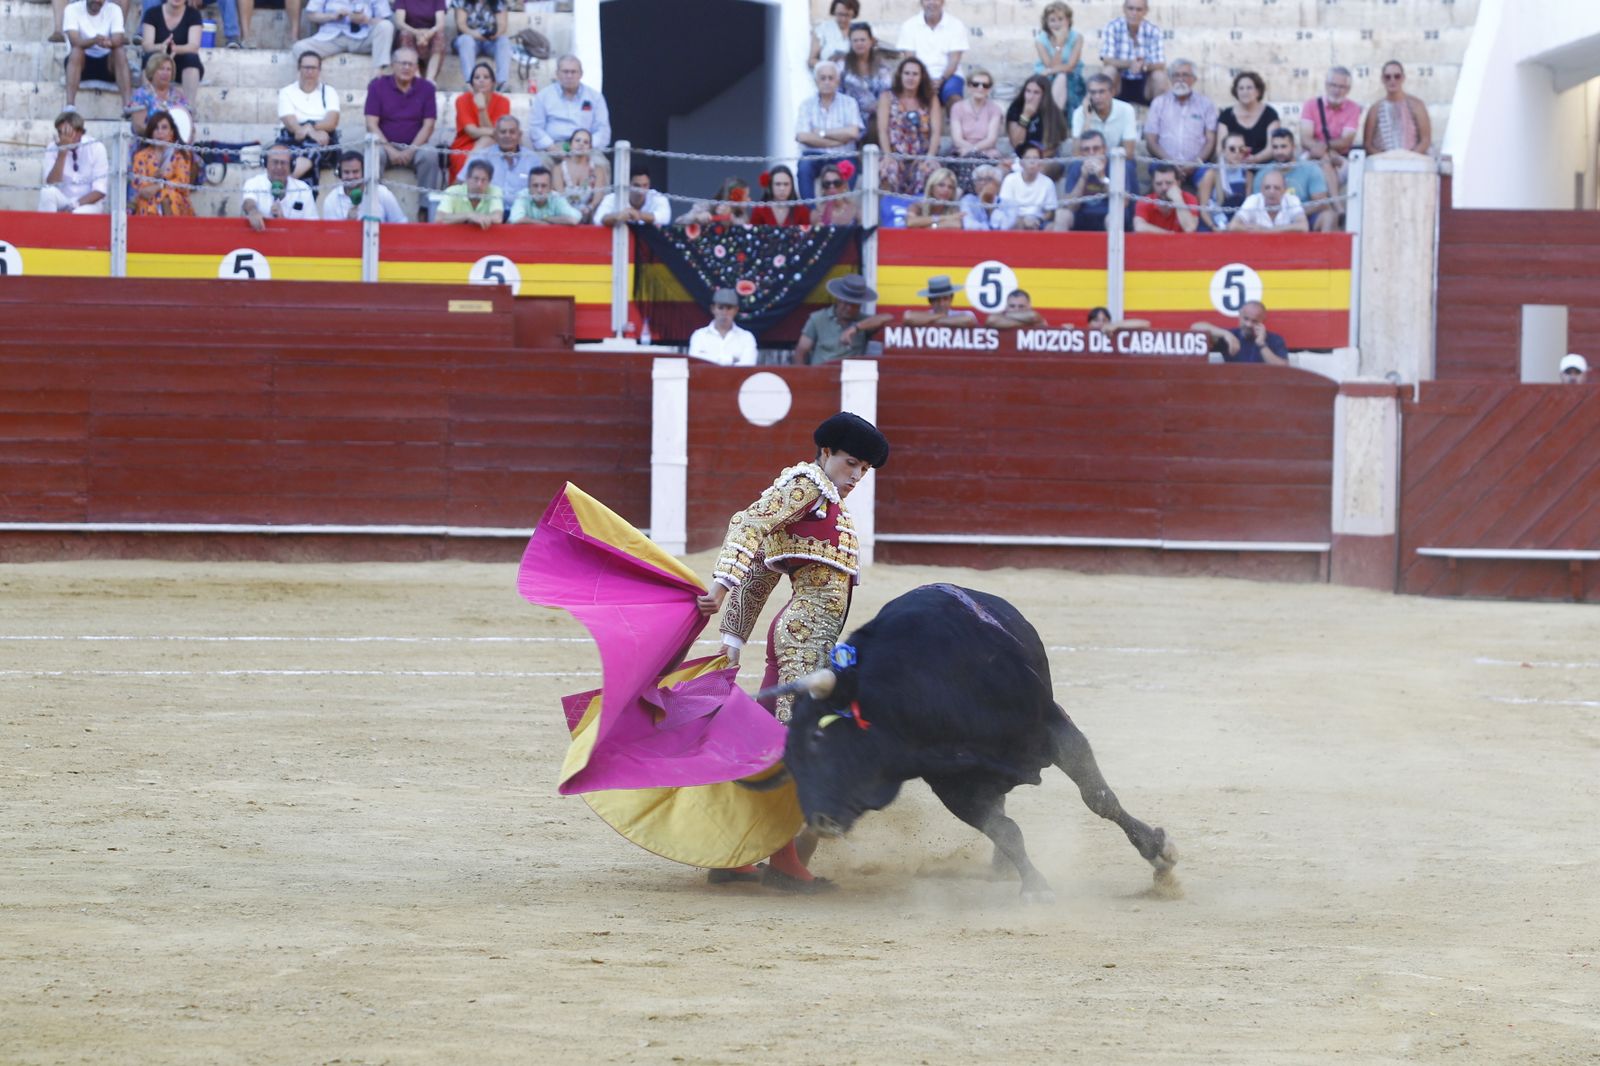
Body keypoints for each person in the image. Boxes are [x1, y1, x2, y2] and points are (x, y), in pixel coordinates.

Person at [696, 412, 890, 891]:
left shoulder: (823, 500)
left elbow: (763, 570)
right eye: (850, 463)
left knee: (773, 744)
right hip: (803, 636)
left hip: (806, 636)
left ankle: (735, 854)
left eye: (864, 469)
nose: (856, 476)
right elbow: (748, 524)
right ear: (825, 452)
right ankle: (784, 863)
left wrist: (734, 638)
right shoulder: (804, 485)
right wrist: (720, 590)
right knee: (794, 745)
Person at [364, 48, 444, 194]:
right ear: (393, 65)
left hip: (416, 146)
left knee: (429, 154)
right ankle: (374, 205)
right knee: (374, 154)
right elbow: (371, 124)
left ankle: (426, 210)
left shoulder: (426, 89)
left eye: (411, 64)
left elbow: (429, 125)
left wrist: (410, 151)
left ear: (416, 68)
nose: (406, 68)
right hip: (385, 146)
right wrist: (390, 149)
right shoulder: (377, 86)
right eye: (402, 63)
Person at [794, 61, 862, 202]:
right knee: (804, 168)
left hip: (843, 154)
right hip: (814, 154)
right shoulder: (806, 105)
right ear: (816, 80)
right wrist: (838, 139)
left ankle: (843, 214)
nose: (827, 82)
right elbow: (802, 136)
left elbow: (853, 133)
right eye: (823, 78)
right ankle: (811, 214)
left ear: (837, 81)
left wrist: (821, 133)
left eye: (831, 78)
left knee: (849, 166)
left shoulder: (849, 103)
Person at [1144, 59, 1217, 188]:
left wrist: (1195, 163)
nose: (1180, 79)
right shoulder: (1159, 103)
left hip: (1196, 164)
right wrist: (1170, 162)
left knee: (1208, 174)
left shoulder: (1206, 104)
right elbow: (1151, 139)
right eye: (1176, 75)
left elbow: (1210, 140)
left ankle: (1204, 209)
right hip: (1164, 162)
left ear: (1194, 79)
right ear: (1171, 79)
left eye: (1185, 75)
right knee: (1162, 175)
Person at [877, 56, 941, 198]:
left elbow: (936, 131)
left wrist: (930, 156)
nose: (910, 78)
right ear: (900, 75)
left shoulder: (930, 98)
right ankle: (891, 214)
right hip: (894, 154)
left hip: (922, 155)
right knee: (888, 172)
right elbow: (882, 130)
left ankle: (919, 216)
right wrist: (888, 155)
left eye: (915, 74)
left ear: (921, 77)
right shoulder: (887, 97)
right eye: (907, 73)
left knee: (928, 172)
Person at [795, 274, 893, 365]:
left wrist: (855, 328)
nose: (849, 308)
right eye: (846, 303)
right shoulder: (817, 319)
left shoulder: (864, 322)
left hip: (852, 378)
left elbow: (888, 318)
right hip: (822, 376)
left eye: (854, 305)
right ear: (838, 299)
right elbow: (801, 352)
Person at [275, 51, 340, 183]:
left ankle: (285, 182)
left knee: (314, 147)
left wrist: (312, 128)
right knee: (304, 150)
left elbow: (332, 122)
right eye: (306, 67)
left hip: (323, 138)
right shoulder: (286, 92)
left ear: (319, 70)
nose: (310, 72)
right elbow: (292, 125)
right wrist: (311, 131)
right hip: (292, 137)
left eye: (313, 68)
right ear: (299, 69)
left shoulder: (329, 92)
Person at [528, 54, 612, 154]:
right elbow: (535, 128)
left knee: (602, 165)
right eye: (565, 72)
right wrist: (551, 147)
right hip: (554, 146)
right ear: (557, 74)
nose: (569, 76)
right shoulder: (543, 96)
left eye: (573, 72)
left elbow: (603, 129)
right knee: (541, 165)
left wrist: (587, 145)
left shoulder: (595, 97)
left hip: (587, 147)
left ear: (581, 74)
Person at [1257, 128, 1336, 232]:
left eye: (1283, 147)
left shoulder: (1311, 169)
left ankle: (1325, 248)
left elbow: (1321, 202)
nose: (1279, 151)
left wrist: (1294, 214)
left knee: (1328, 216)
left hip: (1306, 216)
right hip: (1272, 219)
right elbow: (1258, 204)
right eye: (1275, 147)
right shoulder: (1263, 173)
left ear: (1294, 147)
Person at [1300, 66, 1362, 195]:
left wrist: (1326, 149)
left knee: (1345, 168)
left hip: (1339, 156)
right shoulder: (1311, 105)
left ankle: (1326, 205)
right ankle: (1334, 205)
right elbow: (1305, 139)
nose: (1336, 90)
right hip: (1313, 153)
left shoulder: (1353, 108)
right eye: (1333, 85)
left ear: (1348, 90)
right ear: (1326, 85)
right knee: (1318, 161)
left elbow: (1346, 141)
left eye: (1341, 87)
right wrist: (1325, 152)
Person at [896, 0, 968, 110]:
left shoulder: (956, 25)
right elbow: (910, 60)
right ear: (921, 2)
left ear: (942, 2)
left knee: (955, 101)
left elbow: (954, 60)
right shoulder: (909, 25)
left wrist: (941, 80)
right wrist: (925, 80)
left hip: (949, 76)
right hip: (919, 75)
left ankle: (956, 127)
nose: (931, 3)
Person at [63, 0, 131, 112]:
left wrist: (109, 43)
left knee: (119, 51)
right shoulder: (72, 9)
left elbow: (118, 39)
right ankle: (70, 106)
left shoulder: (114, 9)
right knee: (76, 51)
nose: (98, 1)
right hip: (82, 64)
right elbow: (74, 40)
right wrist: (94, 40)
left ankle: (128, 106)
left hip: (107, 63)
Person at [292, 0, 395, 73]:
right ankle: (318, 84)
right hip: (332, 37)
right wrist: (332, 16)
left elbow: (385, 19)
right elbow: (311, 14)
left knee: (386, 26)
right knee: (299, 47)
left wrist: (366, 20)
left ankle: (378, 75)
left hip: (363, 38)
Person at [1060, 130, 1133, 232]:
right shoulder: (1076, 166)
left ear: (1104, 149)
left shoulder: (1117, 166)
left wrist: (1102, 177)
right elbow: (1071, 206)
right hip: (1082, 214)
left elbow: (1123, 203)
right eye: (1086, 150)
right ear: (1081, 153)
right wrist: (1083, 177)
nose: (1091, 153)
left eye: (1096, 148)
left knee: (1114, 218)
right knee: (1062, 215)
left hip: (1108, 213)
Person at [448, 61, 508, 184]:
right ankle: (461, 184)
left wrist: (481, 109)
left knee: (488, 142)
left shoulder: (503, 102)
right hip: (465, 145)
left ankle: (461, 179)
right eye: (477, 78)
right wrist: (495, 132)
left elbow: (495, 136)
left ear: (493, 83)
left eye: (486, 77)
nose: (481, 80)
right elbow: (472, 131)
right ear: (471, 84)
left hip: (493, 146)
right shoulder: (462, 100)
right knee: (485, 141)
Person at [1098, 0, 1167, 105]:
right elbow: (1107, 59)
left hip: (1144, 83)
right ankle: (1103, 115)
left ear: (1146, 11)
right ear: (1124, 9)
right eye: (1131, 8)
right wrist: (1131, 64)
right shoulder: (1112, 27)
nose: (1134, 13)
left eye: (1139, 9)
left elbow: (1160, 63)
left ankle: (1160, 116)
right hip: (1119, 82)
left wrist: (1143, 66)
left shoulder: (1154, 30)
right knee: (1109, 71)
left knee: (1160, 77)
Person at [37, 111, 108, 214]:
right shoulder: (53, 147)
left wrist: (74, 205)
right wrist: (63, 152)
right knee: (47, 193)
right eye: (61, 132)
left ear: (80, 133)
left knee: (77, 213)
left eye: (68, 132)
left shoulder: (96, 147)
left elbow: (100, 191)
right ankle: (47, 229)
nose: (64, 137)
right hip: (64, 200)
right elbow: (51, 184)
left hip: (88, 204)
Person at [128, 110, 196, 216]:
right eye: (156, 128)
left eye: (164, 128)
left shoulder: (181, 154)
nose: (160, 132)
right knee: (147, 201)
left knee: (168, 197)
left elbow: (182, 183)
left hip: (175, 199)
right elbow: (141, 188)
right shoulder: (141, 156)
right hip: (148, 199)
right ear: (151, 133)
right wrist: (158, 188)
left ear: (171, 132)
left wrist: (160, 186)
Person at [467, 115, 538, 215]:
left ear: (519, 135)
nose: (507, 136)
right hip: (487, 215)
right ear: (495, 135)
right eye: (503, 132)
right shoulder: (481, 156)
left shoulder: (532, 159)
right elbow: (462, 185)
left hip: (522, 216)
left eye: (512, 132)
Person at [839, 20, 893, 145]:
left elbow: (887, 93)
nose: (859, 43)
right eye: (855, 40)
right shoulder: (842, 66)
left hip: (876, 116)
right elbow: (837, 94)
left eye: (863, 40)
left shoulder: (882, 67)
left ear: (871, 41)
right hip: (848, 117)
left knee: (876, 123)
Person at [948, 66, 1003, 187]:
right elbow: (957, 139)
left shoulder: (995, 110)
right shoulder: (957, 108)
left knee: (973, 161)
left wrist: (972, 151)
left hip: (986, 153)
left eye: (985, 85)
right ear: (968, 86)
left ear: (989, 89)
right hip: (960, 151)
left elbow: (991, 139)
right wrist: (970, 151)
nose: (980, 88)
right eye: (976, 84)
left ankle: (962, 192)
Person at [242, 143, 317, 231]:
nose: (279, 167)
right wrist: (253, 211)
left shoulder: (303, 189)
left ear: (291, 166)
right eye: (275, 162)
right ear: (265, 164)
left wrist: (283, 221)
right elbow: (248, 201)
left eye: (283, 163)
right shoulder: (253, 183)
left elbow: (312, 226)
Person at [141, 0, 205, 102]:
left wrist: (176, 49)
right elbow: (147, 45)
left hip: (181, 64)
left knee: (192, 58)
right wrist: (161, 47)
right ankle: (148, 103)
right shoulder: (152, 13)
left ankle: (189, 108)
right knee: (149, 58)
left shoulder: (193, 14)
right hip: (159, 61)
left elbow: (194, 46)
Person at [1364, 61, 1432, 156]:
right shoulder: (1375, 109)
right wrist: (1385, 159)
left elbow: (1425, 140)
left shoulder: (1417, 105)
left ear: (1403, 78)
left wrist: (1409, 158)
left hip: (1413, 162)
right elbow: (1368, 144)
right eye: (1388, 77)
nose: (1392, 80)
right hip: (1383, 163)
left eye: (1397, 76)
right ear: (1382, 79)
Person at [320, 149, 407, 221]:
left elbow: (401, 223)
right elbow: (331, 236)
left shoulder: (382, 193)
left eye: (355, 172)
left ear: (364, 172)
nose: (351, 177)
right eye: (346, 172)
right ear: (339, 174)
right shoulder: (331, 200)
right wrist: (348, 223)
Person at [1192, 300, 1288, 365]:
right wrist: (1225, 334)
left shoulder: (1274, 339)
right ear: (1240, 316)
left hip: (1263, 390)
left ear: (1263, 320)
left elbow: (1284, 369)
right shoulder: (1231, 336)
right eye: (1246, 319)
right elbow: (1195, 327)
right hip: (1234, 389)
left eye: (1254, 321)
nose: (1249, 324)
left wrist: (1262, 344)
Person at [1006, 74, 1069, 171]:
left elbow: (1053, 145)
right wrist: (1025, 116)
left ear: (1044, 95)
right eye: (1028, 91)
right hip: (1021, 156)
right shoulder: (1016, 107)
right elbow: (1016, 143)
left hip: (1047, 157)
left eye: (1036, 93)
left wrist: (1034, 160)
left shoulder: (1052, 112)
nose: (1030, 97)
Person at [1217, 71, 1280, 165]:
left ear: (1258, 91)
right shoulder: (1226, 115)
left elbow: (1272, 148)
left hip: (1263, 166)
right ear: (1236, 92)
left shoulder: (1270, 114)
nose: (1245, 92)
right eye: (1241, 88)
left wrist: (1255, 159)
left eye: (1249, 88)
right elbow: (1220, 149)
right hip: (1233, 166)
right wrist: (1234, 160)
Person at [1071, 72, 1138, 160]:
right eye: (1093, 92)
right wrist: (1087, 117)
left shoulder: (1126, 110)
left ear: (1112, 92)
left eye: (1101, 92)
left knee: (1128, 166)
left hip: (1117, 159)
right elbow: (1076, 154)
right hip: (1089, 160)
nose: (1097, 97)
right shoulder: (1079, 113)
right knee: (1075, 167)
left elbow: (1129, 151)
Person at [1035, 2, 1086, 116]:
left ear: (1067, 20)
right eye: (1052, 20)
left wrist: (1051, 71)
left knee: (1062, 76)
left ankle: (1055, 117)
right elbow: (1049, 64)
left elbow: (1070, 65)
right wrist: (1059, 44)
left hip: (1070, 75)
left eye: (1060, 19)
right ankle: (1054, 117)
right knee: (1059, 77)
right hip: (1047, 75)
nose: (1056, 23)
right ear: (1046, 23)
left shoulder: (1077, 38)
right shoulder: (1040, 40)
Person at [550, 126, 609, 224]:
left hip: (589, 217)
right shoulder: (558, 169)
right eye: (577, 140)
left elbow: (598, 196)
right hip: (564, 218)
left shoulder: (598, 170)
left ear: (590, 148)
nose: (581, 144)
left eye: (586, 142)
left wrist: (590, 207)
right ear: (570, 145)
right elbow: (559, 196)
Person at [999, 143, 1063, 231]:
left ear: (1040, 162)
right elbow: (1005, 208)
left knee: (1052, 226)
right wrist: (1023, 220)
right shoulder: (1010, 180)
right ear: (1021, 162)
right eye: (1028, 158)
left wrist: (1038, 220)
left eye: (1035, 158)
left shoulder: (1047, 182)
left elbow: (1050, 212)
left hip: (1039, 221)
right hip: (1015, 220)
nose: (1032, 162)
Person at [687, 289, 759, 366]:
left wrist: (709, 359)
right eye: (720, 308)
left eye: (729, 308)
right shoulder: (699, 336)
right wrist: (731, 360)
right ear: (713, 309)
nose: (724, 313)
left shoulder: (747, 337)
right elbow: (695, 364)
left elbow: (747, 366)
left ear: (736, 310)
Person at [1195, 133, 1251, 231]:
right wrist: (1214, 228)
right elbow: (1203, 209)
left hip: (1237, 226)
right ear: (1224, 151)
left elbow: (1248, 207)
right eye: (1232, 149)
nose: (1237, 153)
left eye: (1241, 149)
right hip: (1213, 224)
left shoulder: (1247, 175)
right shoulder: (1212, 174)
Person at [129, 52, 190, 140]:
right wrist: (160, 136)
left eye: (169, 69)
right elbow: (138, 127)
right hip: (148, 145)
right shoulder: (141, 95)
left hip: (175, 146)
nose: (165, 73)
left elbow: (188, 123)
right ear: (152, 71)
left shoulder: (178, 96)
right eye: (161, 69)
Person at [451, 0, 509, 91]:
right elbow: (461, 25)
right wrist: (476, 34)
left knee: (504, 40)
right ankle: (470, 83)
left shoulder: (499, 1)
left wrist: (494, 34)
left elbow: (502, 25)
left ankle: (502, 82)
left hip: (490, 41)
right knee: (466, 40)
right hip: (470, 39)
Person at [434, 158, 504, 229]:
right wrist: (469, 215)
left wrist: (478, 218)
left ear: (489, 181)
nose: (479, 184)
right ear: (467, 178)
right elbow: (439, 218)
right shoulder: (452, 191)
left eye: (484, 180)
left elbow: (498, 218)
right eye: (476, 179)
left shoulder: (495, 191)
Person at [1231, 170, 1308, 233]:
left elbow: (1303, 227)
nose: (1271, 192)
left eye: (1276, 188)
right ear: (1261, 189)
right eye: (1267, 187)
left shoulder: (1292, 200)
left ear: (1285, 190)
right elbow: (1233, 226)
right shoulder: (1253, 200)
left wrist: (1266, 231)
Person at [1133, 163, 1199, 233]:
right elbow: (1139, 227)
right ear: (1153, 184)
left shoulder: (1190, 199)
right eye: (1159, 184)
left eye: (1168, 183)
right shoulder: (1145, 201)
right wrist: (1168, 234)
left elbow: (1190, 228)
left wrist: (1178, 199)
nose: (1164, 188)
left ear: (1178, 183)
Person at [391, 0, 447, 81]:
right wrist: (416, 33)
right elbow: (400, 23)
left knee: (439, 35)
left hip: (429, 36)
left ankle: (430, 80)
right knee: (405, 34)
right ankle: (417, 79)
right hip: (410, 34)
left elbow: (440, 24)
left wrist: (428, 34)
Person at [594, 170, 672, 227]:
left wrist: (638, 215)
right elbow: (597, 220)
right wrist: (617, 217)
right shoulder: (612, 198)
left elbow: (665, 218)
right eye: (637, 185)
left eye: (645, 185)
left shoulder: (657, 197)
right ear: (628, 185)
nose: (641, 190)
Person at [510, 166, 581, 225]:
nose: (539, 190)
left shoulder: (556, 197)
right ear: (529, 187)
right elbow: (515, 218)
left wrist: (546, 218)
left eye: (544, 186)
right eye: (535, 185)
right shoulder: (523, 195)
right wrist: (542, 223)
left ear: (550, 188)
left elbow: (574, 219)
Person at [903, 274, 977, 326]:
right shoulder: (927, 314)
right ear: (930, 301)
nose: (941, 303)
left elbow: (970, 319)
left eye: (945, 299)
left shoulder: (965, 314)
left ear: (951, 299)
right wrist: (941, 316)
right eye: (937, 300)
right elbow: (908, 317)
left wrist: (932, 320)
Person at [957, 163, 1010, 230]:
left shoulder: (1008, 203)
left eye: (988, 179)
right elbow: (969, 225)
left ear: (998, 184)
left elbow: (1005, 226)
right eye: (979, 179)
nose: (983, 183)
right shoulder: (968, 200)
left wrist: (991, 208)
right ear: (975, 185)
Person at [808, 0, 856, 71]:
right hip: (829, 77)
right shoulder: (823, 28)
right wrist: (828, 65)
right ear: (834, 12)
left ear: (853, 14)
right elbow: (811, 60)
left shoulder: (858, 30)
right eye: (840, 14)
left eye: (847, 15)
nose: (843, 19)